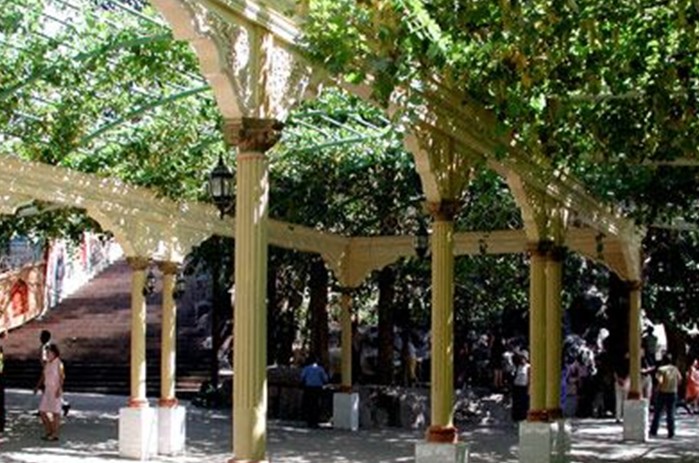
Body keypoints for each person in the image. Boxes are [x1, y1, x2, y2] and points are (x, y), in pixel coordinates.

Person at [34, 343, 65, 441]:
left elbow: (62, 377)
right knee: (42, 411)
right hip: (47, 390)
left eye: (49, 352)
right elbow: (43, 375)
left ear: (54, 353)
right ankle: (49, 431)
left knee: (55, 413)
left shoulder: (58, 363)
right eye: (46, 353)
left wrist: (59, 389)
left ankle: (54, 434)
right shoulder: (47, 363)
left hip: (55, 390)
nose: (47, 354)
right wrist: (38, 386)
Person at [650, 354, 682, 439]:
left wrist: (657, 389)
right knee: (670, 413)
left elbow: (660, 381)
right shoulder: (675, 369)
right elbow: (680, 379)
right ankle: (671, 432)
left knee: (658, 412)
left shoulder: (661, 369)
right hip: (673, 392)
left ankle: (653, 430)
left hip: (663, 392)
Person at [39, 330, 69, 417]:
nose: (40, 338)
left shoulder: (46, 347)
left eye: (42, 336)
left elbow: (45, 358)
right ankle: (53, 405)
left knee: (48, 390)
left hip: (49, 370)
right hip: (47, 369)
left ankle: (62, 405)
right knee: (46, 390)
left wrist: (46, 364)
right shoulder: (45, 346)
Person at [300, 355, 328, 428]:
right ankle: (315, 421)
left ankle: (309, 421)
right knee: (317, 405)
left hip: (308, 388)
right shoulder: (320, 369)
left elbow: (302, 378)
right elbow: (325, 379)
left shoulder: (306, 368)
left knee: (309, 405)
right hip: (317, 389)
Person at [511, 351, 530, 422]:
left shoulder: (528, 367)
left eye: (523, 358)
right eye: (521, 358)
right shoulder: (517, 366)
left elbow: (529, 378)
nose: (522, 360)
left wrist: (529, 388)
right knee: (516, 403)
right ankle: (516, 416)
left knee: (523, 403)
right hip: (517, 386)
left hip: (524, 387)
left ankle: (523, 416)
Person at [613, 358, 630, 423]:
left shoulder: (617, 363)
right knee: (626, 400)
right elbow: (630, 373)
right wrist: (625, 381)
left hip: (618, 382)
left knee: (618, 400)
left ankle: (618, 417)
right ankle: (626, 416)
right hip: (626, 381)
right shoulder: (629, 363)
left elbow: (615, 373)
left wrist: (618, 380)